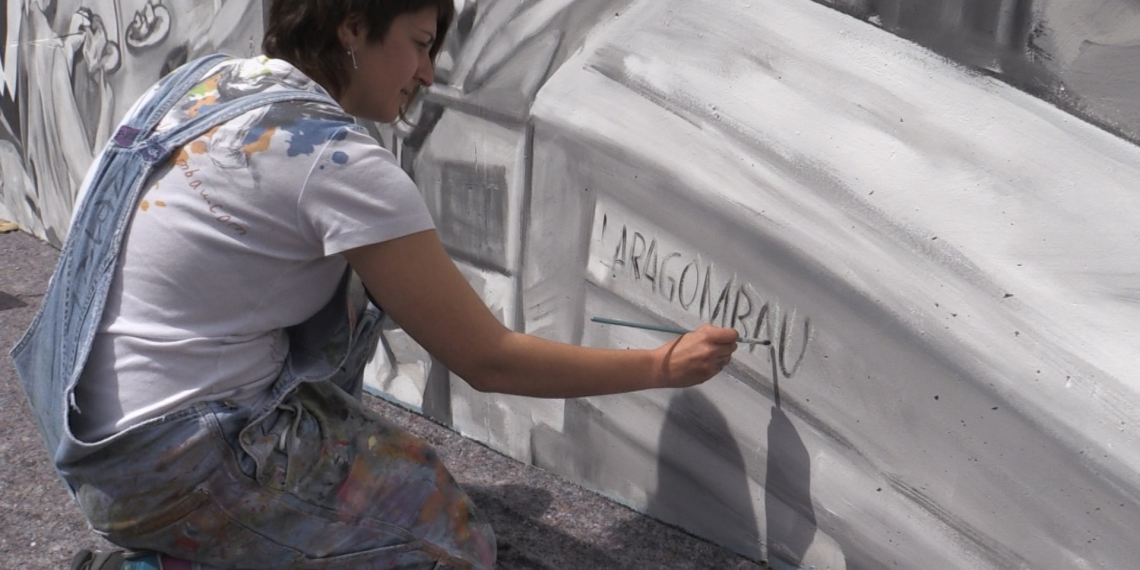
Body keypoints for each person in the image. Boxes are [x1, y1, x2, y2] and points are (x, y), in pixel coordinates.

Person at [12, 0, 740, 568]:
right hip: (177, 467)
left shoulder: (200, 85)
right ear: (353, 27)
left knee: (367, 285)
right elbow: (488, 360)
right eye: (420, 44)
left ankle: (269, 510)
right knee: (451, 542)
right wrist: (660, 366)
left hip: (87, 438)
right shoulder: (332, 159)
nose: (428, 74)